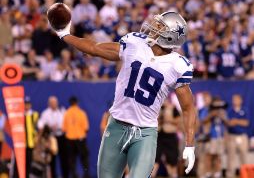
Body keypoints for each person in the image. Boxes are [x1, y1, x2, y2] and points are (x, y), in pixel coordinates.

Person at [50, 10, 196, 178]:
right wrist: (64, 35)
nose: (154, 25)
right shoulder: (135, 43)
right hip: (116, 126)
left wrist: (190, 144)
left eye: (160, 25)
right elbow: (94, 48)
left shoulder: (178, 65)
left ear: (170, 36)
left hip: (145, 133)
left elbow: (188, 108)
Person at [37, 96, 68, 178]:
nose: (54, 104)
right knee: (52, 160)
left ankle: (65, 176)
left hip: (61, 136)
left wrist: (60, 127)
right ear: (49, 104)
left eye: (55, 102)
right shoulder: (45, 113)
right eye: (52, 103)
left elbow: (66, 123)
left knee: (64, 159)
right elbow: (40, 124)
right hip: (51, 138)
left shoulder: (62, 111)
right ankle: (53, 176)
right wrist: (49, 127)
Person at [62, 96, 90, 178]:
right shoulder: (82, 113)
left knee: (71, 159)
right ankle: (86, 175)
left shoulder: (66, 113)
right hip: (80, 139)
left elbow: (64, 129)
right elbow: (86, 128)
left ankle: (74, 175)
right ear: (77, 102)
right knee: (84, 159)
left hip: (70, 139)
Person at [151, 101, 181, 178]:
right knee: (155, 158)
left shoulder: (172, 107)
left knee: (172, 159)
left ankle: (173, 175)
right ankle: (151, 175)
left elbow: (179, 121)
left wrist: (168, 120)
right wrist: (159, 119)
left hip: (170, 137)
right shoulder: (155, 107)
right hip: (159, 136)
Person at [226, 94, 249, 178]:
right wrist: (238, 122)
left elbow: (246, 123)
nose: (235, 101)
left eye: (236, 99)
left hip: (242, 136)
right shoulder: (230, 111)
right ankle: (230, 175)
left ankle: (245, 175)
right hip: (232, 136)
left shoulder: (245, 110)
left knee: (243, 157)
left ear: (241, 100)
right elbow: (228, 123)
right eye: (233, 99)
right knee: (231, 158)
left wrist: (236, 121)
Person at [24, 96, 39, 177]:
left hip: (32, 144)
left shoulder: (35, 114)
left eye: (28, 104)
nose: (27, 106)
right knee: (23, 164)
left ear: (30, 105)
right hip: (22, 145)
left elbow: (38, 128)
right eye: (25, 104)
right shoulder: (20, 115)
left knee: (31, 163)